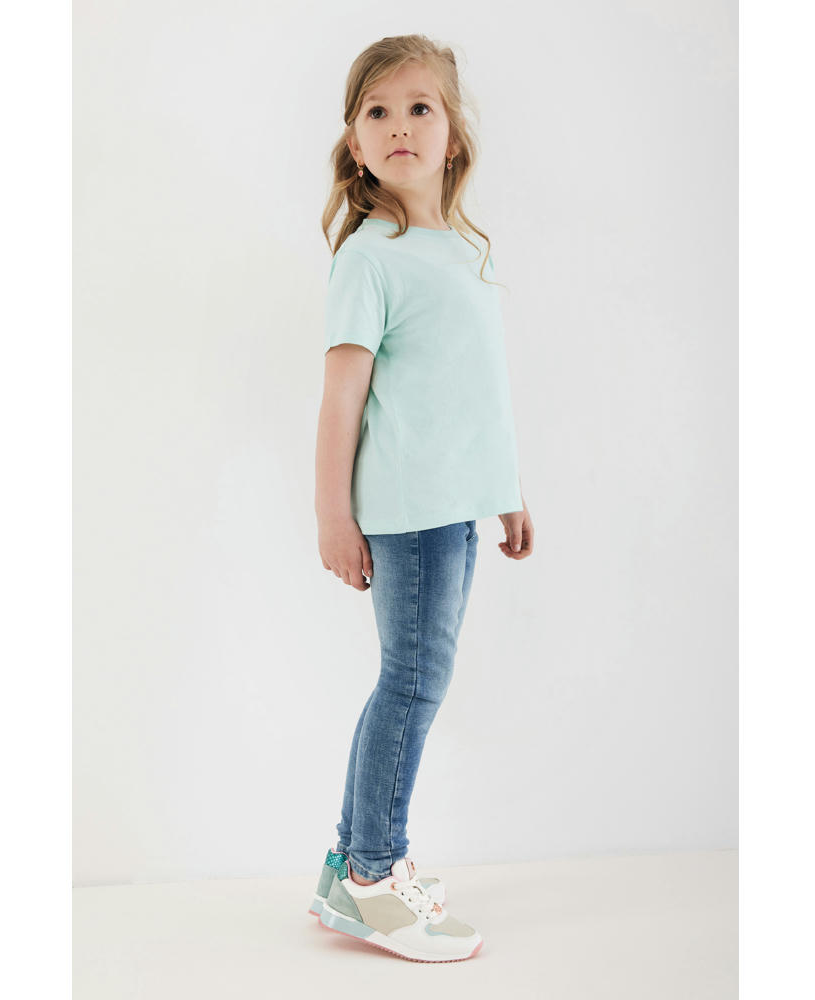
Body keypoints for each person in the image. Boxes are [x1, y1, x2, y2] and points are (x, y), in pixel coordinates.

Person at [310, 34, 534, 963]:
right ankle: (375, 875)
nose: (399, 125)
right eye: (378, 111)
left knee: (411, 678)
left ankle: (345, 870)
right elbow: (341, 397)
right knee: (411, 682)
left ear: (453, 133)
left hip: (457, 506)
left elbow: (478, 391)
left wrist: (506, 491)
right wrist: (333, 514)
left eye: (419, 107)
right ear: (355, 143)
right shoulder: (371, 258)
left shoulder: (463, 250)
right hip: (408, 512)